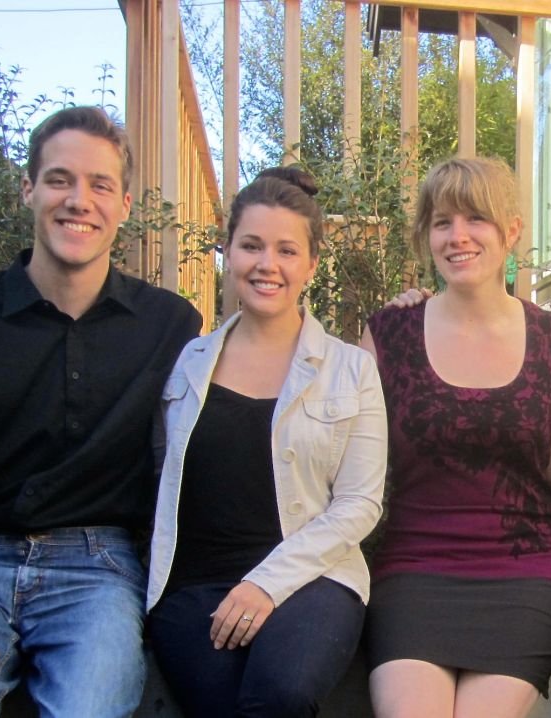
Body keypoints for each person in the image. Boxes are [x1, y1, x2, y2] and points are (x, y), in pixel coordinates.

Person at [0, 105, 202, 716]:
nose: (78, 199)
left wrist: (407, 317)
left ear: (125, 206)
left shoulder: (171, 326)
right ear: (28, 190)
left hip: (97, 570)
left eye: (99, 184)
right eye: (59, 179)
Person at [145, 169, 387, 717]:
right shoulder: (188, 363)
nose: (267, 265)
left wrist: (264, 584)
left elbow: (360, 504)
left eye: (286, 250)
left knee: (280, 693)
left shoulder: (351, 370)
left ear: (311, 264)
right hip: (195, 585)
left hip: (313, 578)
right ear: (228, 252)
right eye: (251, 246)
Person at [361, 157, 551, 718]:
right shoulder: (389, 334)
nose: (457, 236)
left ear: (510, 230)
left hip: (528, 573)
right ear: (426, 237)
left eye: (475, 219)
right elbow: (354, 467)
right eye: (441, 222)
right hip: (414, 570)